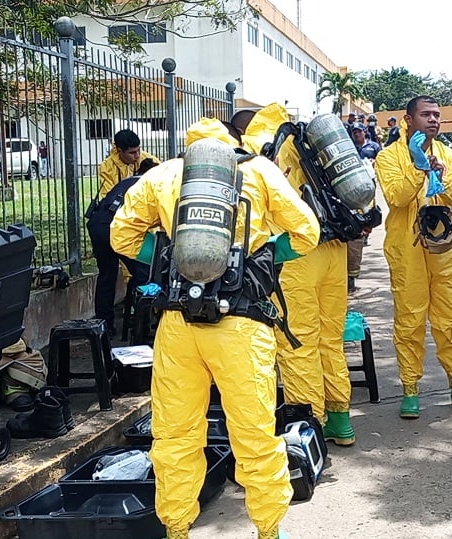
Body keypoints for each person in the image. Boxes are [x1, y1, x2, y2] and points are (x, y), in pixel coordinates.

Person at [110, 117, 320, 539]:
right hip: (241, 326)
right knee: (255, 433)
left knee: (174, 434)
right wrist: (263, 258)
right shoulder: (259, 171)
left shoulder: (166, 173)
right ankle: (267, 529)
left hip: (177, 324)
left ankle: (176, 528)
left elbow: (121, 236)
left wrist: (170, 257)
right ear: (233, 140)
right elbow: (307, 232)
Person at [251, 103, 361, 446]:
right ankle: (341, 419)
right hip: (334, 249)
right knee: (331, 338)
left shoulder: (260, 145)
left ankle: (309, 425)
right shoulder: (309, 143)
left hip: (297, 253)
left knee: (298, 341)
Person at [374, 95, 452, 419]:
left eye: (437, 114)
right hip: (407, 249)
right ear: (408, 119)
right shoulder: (388, 157)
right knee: (410, 320)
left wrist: (441, 174)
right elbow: (396, 196)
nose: (433, 120)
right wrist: (418, 169)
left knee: (450, 319)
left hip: (443, 246)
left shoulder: (448, 155)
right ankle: (410, 389)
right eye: (426, 114)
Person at [87, 158, 157, 336]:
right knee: (144, 272)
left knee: (107, 275)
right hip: (118, 229)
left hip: (98, 225)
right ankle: (140, 322)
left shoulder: (126, 182)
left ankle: (104, 326)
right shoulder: (149, 185)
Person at [347, 123, 380, 293]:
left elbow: (380, 162)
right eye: (354, 132)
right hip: (350, 186)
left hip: (368, 183)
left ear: (364, 132)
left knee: (367, 209)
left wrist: (374, 163)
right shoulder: (348, 146)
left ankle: (366, 229)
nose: (357, 134)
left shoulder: (373, 146)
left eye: (359, 131)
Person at [96, 128, 159, 200]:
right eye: (132, 153)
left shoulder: (146, 158)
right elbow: (108, 197)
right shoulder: (106, 167)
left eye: (138, 150)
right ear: (119, 150)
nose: (137, 155)